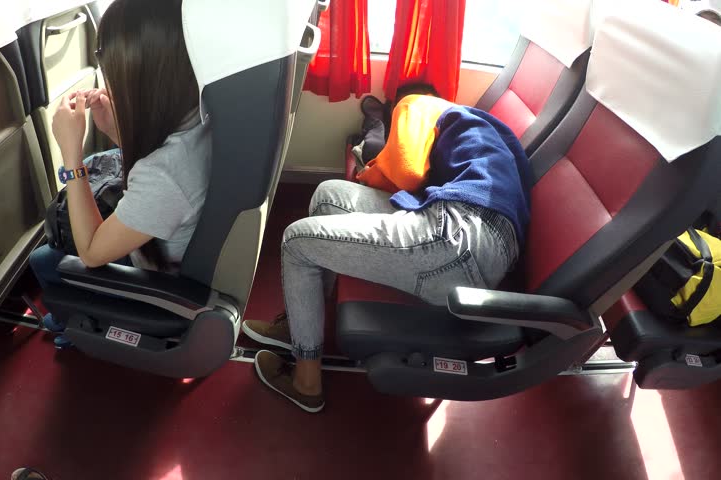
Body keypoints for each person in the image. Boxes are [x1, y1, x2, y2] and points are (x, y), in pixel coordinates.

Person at [242, 92, 531, 413]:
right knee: (328, 196)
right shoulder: (474, 124)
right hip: (479, 237)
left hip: (459, 238)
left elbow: (405, 173)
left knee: (297, 242)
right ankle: (301, 327)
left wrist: (369, 171)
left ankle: (305, 381)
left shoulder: (416, 104)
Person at [28, 0, 211, 348]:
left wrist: (71, 154)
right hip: (165, 242)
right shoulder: (198, 111)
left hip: (155, 284)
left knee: (44, 261)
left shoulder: (164, 175)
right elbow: (156, 167)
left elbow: (92, 253)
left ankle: (76, 322)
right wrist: (115, 130)